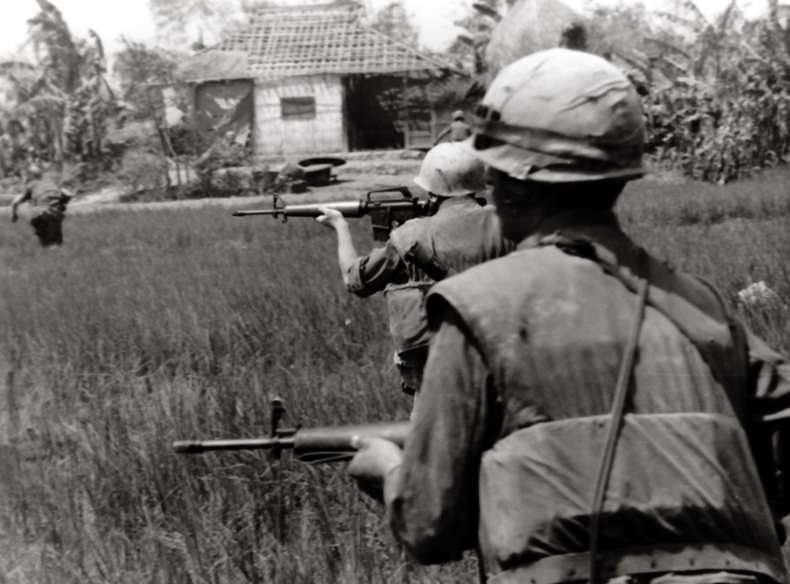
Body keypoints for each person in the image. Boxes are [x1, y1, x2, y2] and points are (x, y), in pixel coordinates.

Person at [348, 48, 790, 584]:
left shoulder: (478, 306)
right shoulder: (703, 303)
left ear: (506, 184)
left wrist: (384, 468)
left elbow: (431, 527)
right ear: (622, 174)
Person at [317, 141, 512, 400]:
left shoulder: (410, 235)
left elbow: (355, 280)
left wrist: (339, 225)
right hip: (500, 360)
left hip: (436, 371)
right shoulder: (507, 225)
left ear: (432, 191)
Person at [11, 164, 73, 247]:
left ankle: (44, 242)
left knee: (46, 242)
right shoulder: (50, 183)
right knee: (57, 244)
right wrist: (62, 203)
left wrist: (14, 216)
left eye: (26, 175)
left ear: (30, 176)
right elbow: (68, 194)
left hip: (41, 213)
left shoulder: (31, 185)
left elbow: (15, 202)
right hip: (57, 214)